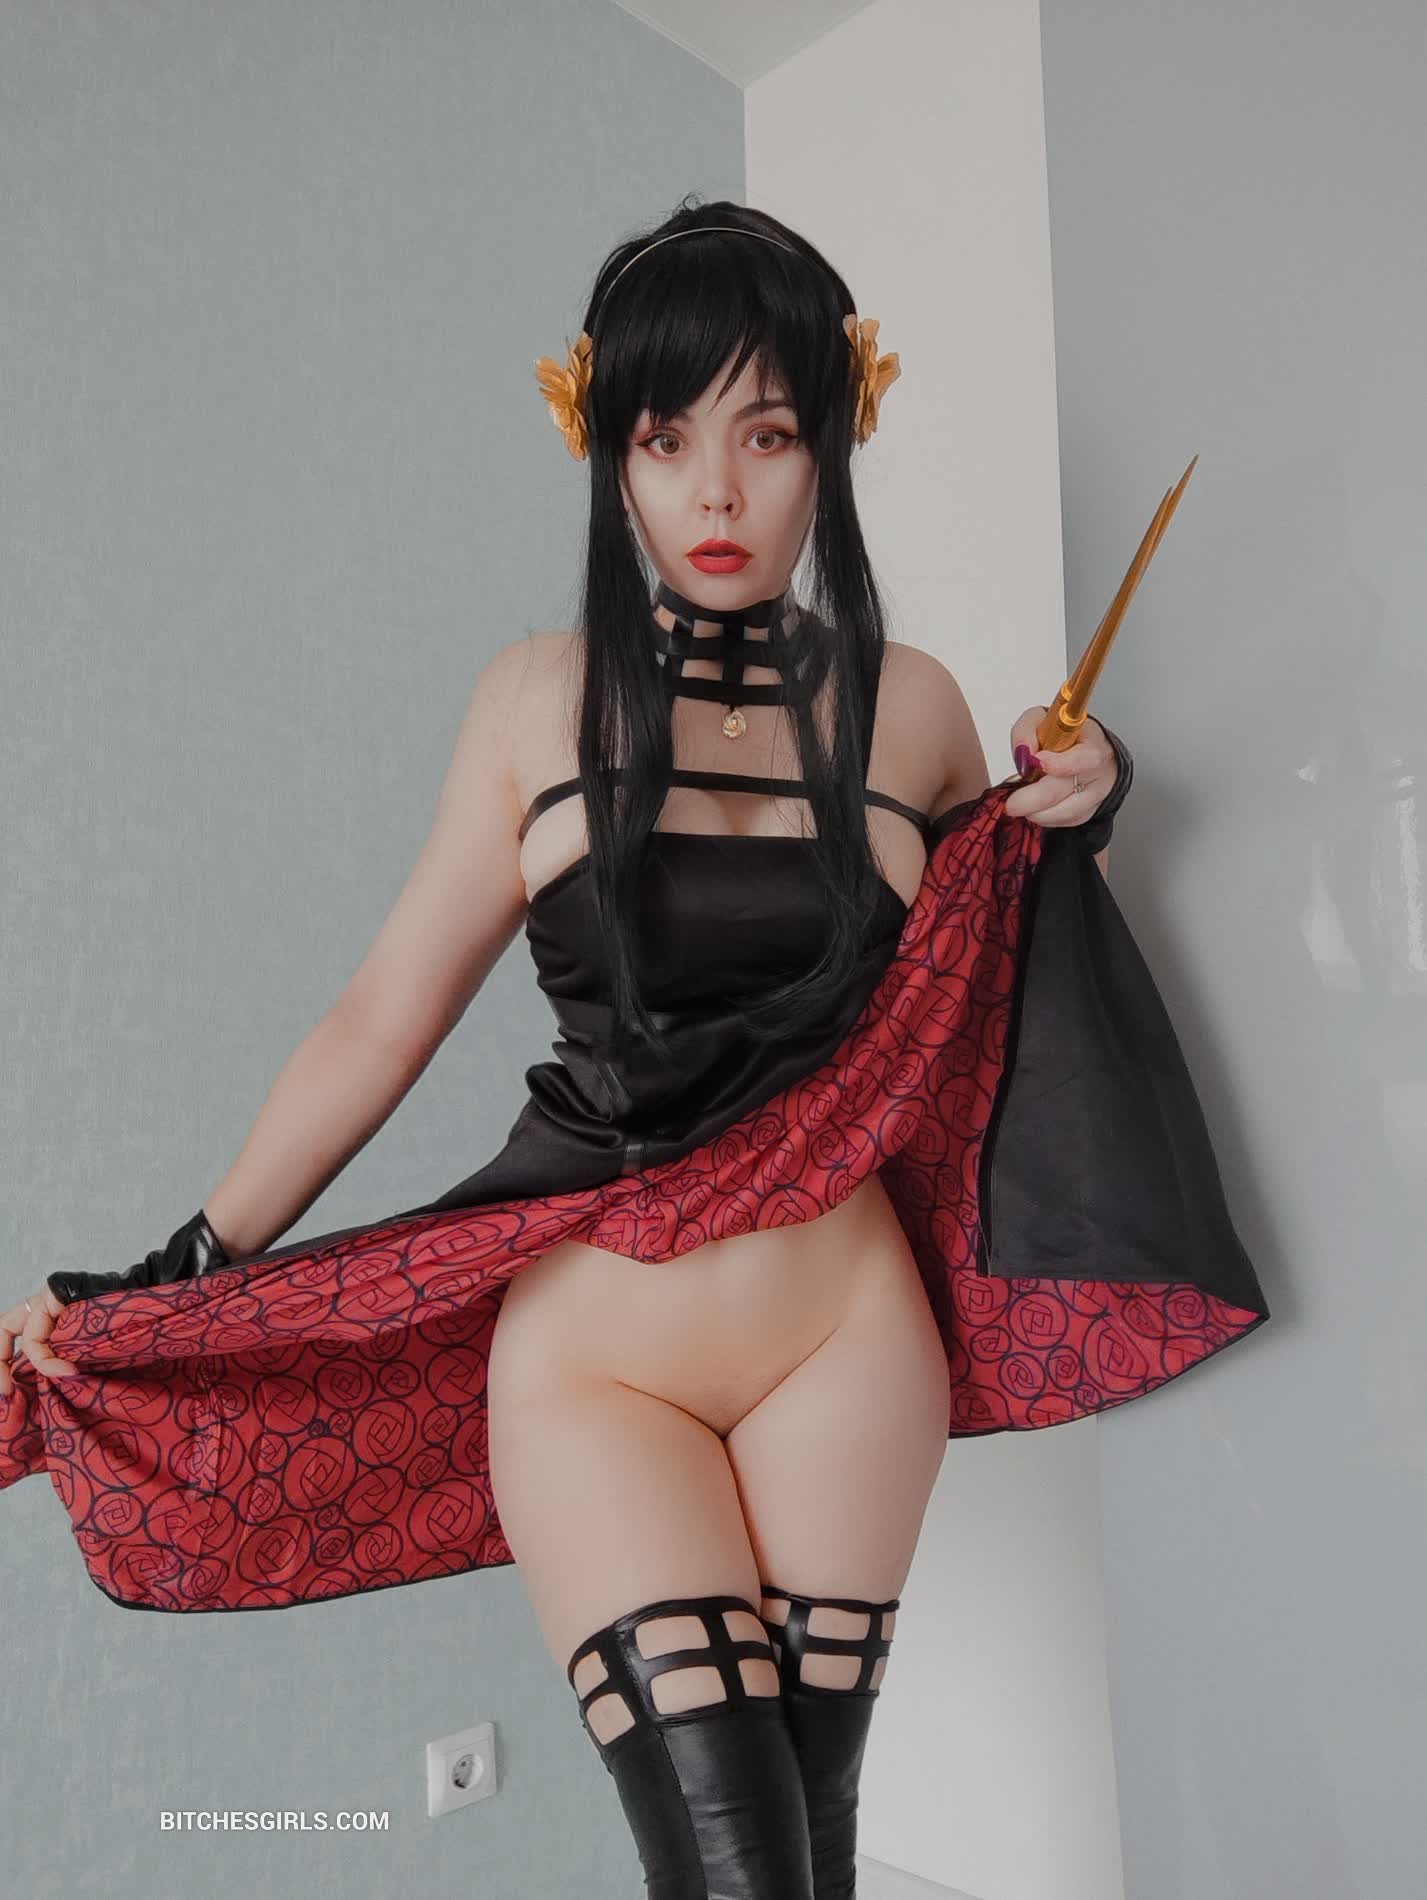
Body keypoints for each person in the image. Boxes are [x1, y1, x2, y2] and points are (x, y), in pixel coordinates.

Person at [0, 198, 1268, 1899]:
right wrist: (180, 1269)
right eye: (667, 440)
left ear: (835, 443)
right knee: (732, 1872)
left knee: (811, 1854)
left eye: (768, 434)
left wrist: (1080, 810)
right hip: (598, 1364)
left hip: (848, 1342)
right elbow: (381, 1018)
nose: (717, 493)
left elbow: (991, 985)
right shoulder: (536, 698)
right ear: (610, 458)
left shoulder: (914, 705)